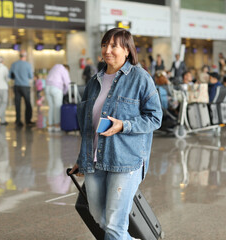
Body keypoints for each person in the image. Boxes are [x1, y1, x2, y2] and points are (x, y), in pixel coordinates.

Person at [69, 28, 162, 239]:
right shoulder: (95, 82)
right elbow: (87, 126)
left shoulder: (140, 78)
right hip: (94, 161)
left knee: (113, 226)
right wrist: (81, 159)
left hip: (125, 160)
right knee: (98, 216)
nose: (107, 50)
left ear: (127, 50)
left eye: (114, 46)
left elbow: (155, 118)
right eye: (104, 45)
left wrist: (124, 125)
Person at [9, 50, 35, 127]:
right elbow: (30, 76)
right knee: (28, 103)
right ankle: (28, 120)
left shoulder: (14, 64)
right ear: (25, 56)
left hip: (16, 86)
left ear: (19, 56)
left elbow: (10, 75)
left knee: (17, 104)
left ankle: (18, 121)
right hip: (25, 86)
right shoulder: (28, 65)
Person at [45, 64, 71, 132]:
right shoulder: (64, 69)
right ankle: (57, 126)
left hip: (47, 87)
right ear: (67, 69)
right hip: (56, 88)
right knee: (57, 107)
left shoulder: (54, 67)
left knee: (51, 107)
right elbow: (68, 83)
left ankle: (50, 126)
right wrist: (65, 92)